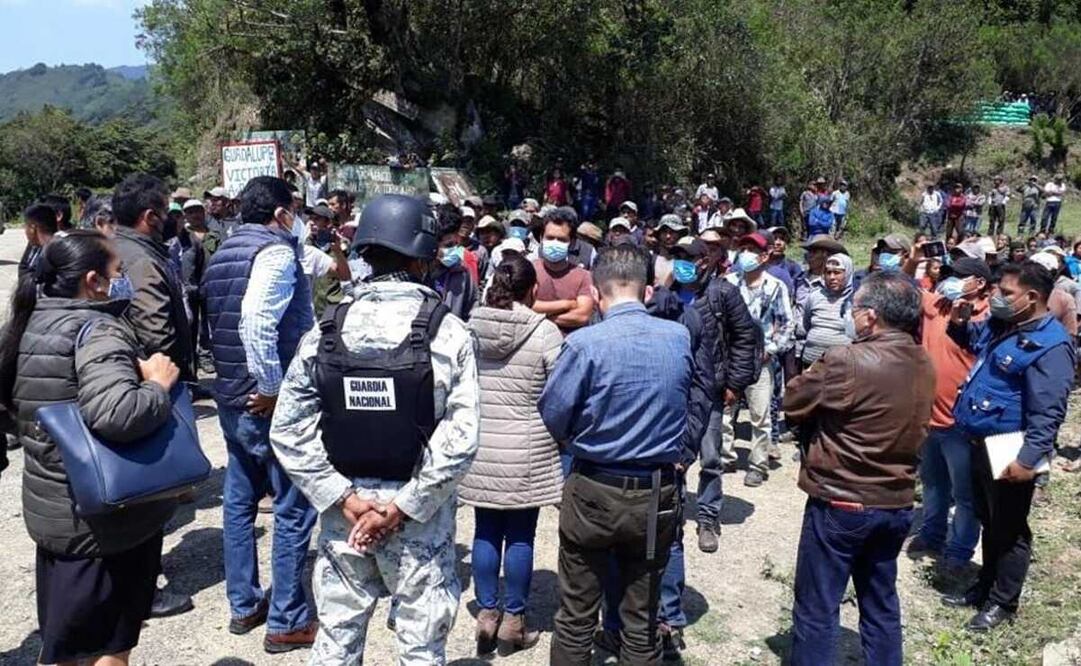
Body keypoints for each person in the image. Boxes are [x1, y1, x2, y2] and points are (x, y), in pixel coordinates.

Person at [268, 193, 479, 663]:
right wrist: (402, 507)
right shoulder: (449, 334)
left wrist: (342, 497)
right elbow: (460, 441)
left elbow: (287, 430)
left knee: (336, 644)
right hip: (420, 521)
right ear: (423, 259)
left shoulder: (324, 331)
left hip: (345, 519)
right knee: (420, 649)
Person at [0, 231, 183, 666]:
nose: (123, 279)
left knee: (67, 646)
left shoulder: (28, 322)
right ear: (94, 281)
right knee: (110, 649)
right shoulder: (98, 330)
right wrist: (158, 385)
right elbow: (117, 413)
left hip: (56, 511)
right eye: (118, 271)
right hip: (104, 523)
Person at [539, 244, 692, 665]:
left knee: (576, 615)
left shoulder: (583, 344)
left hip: (594, 486)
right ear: (648, 291)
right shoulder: (678, 338)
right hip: (656, 492)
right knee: (641, 619)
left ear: (595, 291)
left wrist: (580, 438)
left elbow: (554, 413)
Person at [784, 271, 935, 666]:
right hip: (896, 502)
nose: (850, 317)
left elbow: (794, 400)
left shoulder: (846, 359)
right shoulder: (924, 360)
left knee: (817, 605)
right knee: (880, 601)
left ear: (870, 316)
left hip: (842, 501)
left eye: (853, 310)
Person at [203, 176, 319, 654]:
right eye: (294, 210)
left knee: (240, 501)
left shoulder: (224, 253)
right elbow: (256, 321)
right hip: (268, 401)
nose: (297, 218)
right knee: (293, 506)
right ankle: (287, 619)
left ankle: (244, 604)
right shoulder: (273, 251)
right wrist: (271, 387)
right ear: (280, 213)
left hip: (231, 396)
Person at [944, 262, 1074, 631]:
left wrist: (1028, 459)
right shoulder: (1005, 324)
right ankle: (984, 586)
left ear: (1032, 297)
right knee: (989, 520)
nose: (996, 298)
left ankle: (1002, 602)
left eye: (1006, 293)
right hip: (979, 442)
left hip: (1010, 448)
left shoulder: (1052, 345)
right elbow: (974, 342)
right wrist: (959, 323)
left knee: (1011, 530)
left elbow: (1048, 412)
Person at [459, 256, 563, 656]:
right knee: (520, 536)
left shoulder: (472, 328)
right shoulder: (545, 332)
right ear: (533, 290)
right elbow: (561, 390)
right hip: (527, 449)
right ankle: (514, 621)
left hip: (483, 444)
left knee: (485, 530)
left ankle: (487, 614)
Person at [908, 258, 992, 578]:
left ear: (980, 283)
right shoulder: (936, 305)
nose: (950, 281)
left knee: (965, 493)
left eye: (959, 276)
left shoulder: (990, 317)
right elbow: (901, 286)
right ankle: (932, 534)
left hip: (962, 422)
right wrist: (913, 258)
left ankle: (959, 552)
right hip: (928, 416)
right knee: (933, 483)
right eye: (949, 274)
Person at [723, 233, 794, 487]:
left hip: (760, 361)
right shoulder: (729, 282)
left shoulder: (776, 287)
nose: (745, 254)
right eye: (743, 248)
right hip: (732, 358)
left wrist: (771, 350)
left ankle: (758, 464)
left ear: (765, 256)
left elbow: (787, 324)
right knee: (725, 411)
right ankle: (726, 457)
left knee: (760, 415)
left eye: (752, 250)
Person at [532, 209, 595, 335]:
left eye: (561, 240)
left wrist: (541, 317)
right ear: (541, 238)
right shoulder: (529, 270)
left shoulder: (584, 276)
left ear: (571, 243)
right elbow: (522, 307)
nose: (554, 243)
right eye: (550, 238)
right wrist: (567, 304)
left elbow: (582, 316)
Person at [798, 253, 854, 367]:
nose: (832, 277)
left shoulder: (855, 299)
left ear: (848, 273)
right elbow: (806, 324)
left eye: (837, 273)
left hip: (841, 365)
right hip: (811, 363)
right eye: (828, 272)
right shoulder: (815, 296)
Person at [432, 210, 478, 321]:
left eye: (457, 244)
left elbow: (472, 310)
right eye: (448, 245)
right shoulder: (421, 273)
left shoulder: (463, 273)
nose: (454, 250)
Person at [18, 203, 59, 280]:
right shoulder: (37, 247)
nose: (25, 231)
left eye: (25, 226)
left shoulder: (53, 254)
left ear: (32, 228)